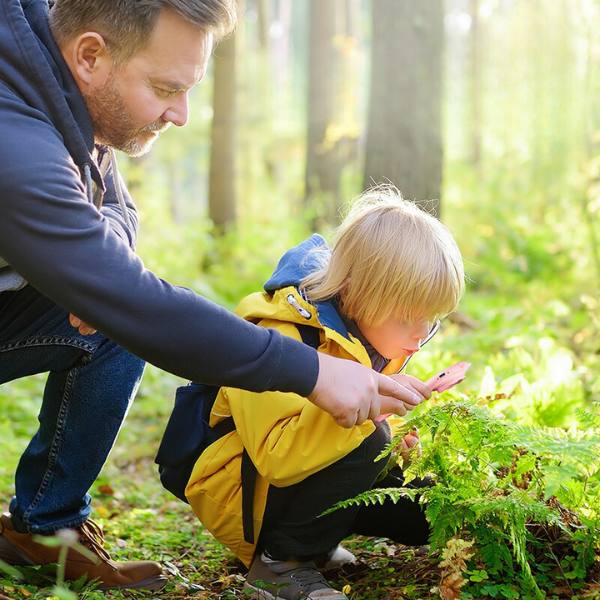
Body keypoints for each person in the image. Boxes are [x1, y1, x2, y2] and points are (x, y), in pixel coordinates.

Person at [0, 0, 428, 592]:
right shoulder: (13, 139)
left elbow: (117, 207)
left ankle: (45, 531)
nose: (180, 113)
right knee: (128, 311)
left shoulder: (52, 79)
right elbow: (140, 303)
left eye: (189, 88)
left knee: (114, 324)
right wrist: (313, 373)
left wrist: (93, 266)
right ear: (91, 55)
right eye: (164, 87)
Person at [185, 187, 466, 600]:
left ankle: (318, 536)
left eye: (433, 319)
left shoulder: (369, 334)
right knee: (372, 439)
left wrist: (401, 436)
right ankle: (281, 562)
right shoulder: (278, 336)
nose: (421, 335)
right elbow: (277, 457)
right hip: (245, 496)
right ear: (354, 292)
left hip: (301, 477)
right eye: (408, 317)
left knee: (428, 510)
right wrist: (374, 416)